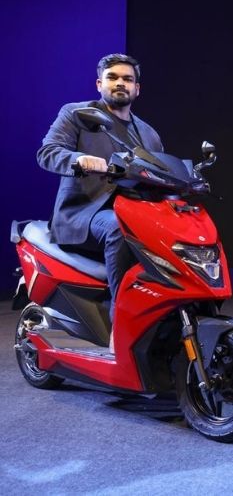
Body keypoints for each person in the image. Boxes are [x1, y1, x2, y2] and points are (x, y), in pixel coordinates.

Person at [37, 53, 163, 353]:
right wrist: (78, 159)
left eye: (127, 79)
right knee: (120, 228)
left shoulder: (148, 134)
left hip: (134, 212)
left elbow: (160, 176)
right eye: (113, 77)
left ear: (137, 89)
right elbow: (47, 152)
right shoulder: (77, 114)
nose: (120, 83)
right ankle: (121, 327)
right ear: (99, 84)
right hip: (84, 212)